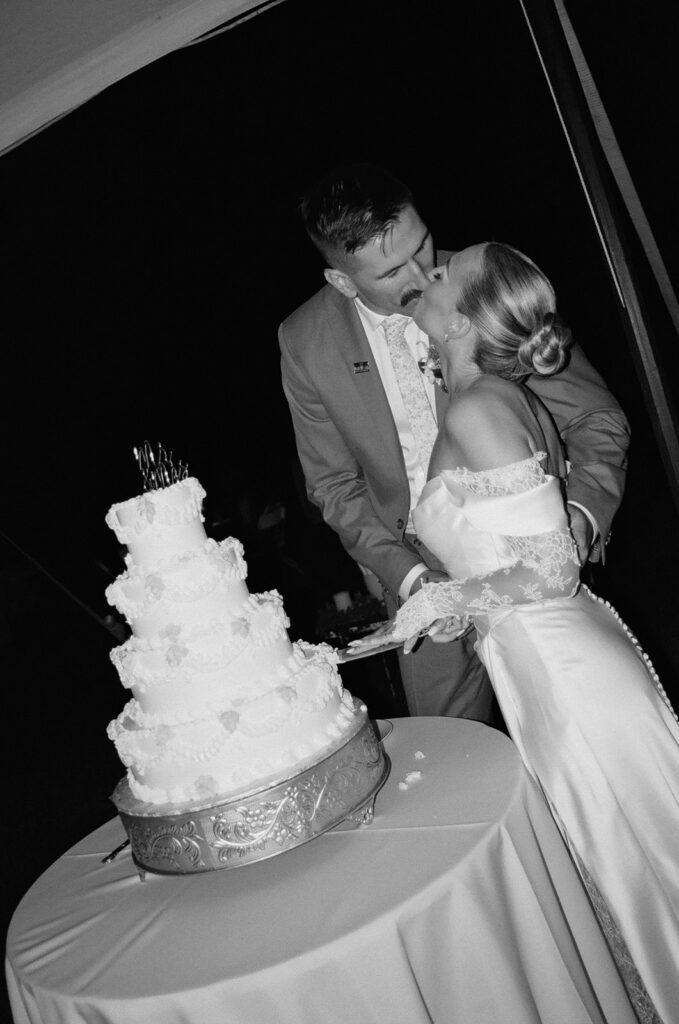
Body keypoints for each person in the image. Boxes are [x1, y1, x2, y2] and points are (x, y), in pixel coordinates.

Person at [352, 241, 679, 1021]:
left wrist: (442, 598)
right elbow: (509, 557)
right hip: (545, 661)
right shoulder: (483, 397)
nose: (426, 275)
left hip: (565, 674)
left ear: (458, 321)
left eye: (441, 273)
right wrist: (450, 604)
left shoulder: (477, 408)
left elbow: (551, 567)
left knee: (638, 869)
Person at [279, 164, 630, 722]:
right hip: (418, 577)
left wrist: (581, 516)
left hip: (534, 564)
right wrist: (412, 580)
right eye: (393, 270)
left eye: (423, 244)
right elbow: (334, 485)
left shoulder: (482, 286)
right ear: (343, 282)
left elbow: (597, 419)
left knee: (583, 725)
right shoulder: (304, 341)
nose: (423, 273)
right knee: (450, 747)